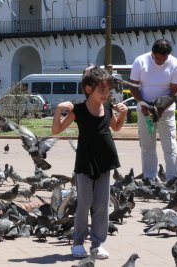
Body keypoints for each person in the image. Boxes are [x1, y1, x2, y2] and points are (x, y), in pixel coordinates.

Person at [52, 66, 128, 259]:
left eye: (108, 91)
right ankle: (77, 242)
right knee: (84, 203)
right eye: (101, 90)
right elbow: (56, 130)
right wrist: (59, 110)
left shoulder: (108, 108)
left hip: (105, 160)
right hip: (85, 161)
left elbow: (117, 128)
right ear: (88, 90)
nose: (106, 94)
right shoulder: (78, 110)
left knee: (102, 204)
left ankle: (97, 244)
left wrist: (124, 113)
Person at [129, 39, 177, 183]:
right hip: (144, 109)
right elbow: (133, 88)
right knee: (147, 146)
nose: (160, 61)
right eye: (157, 58)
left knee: (170, 146)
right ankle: (150, 178)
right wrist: (143, 104)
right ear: (152, 53)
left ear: (168, 55)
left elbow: (174, 93)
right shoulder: (140, 61)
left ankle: (173, 179)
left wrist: (161, 108)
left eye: (163, 59)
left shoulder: (176, 64)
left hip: (166, 110)